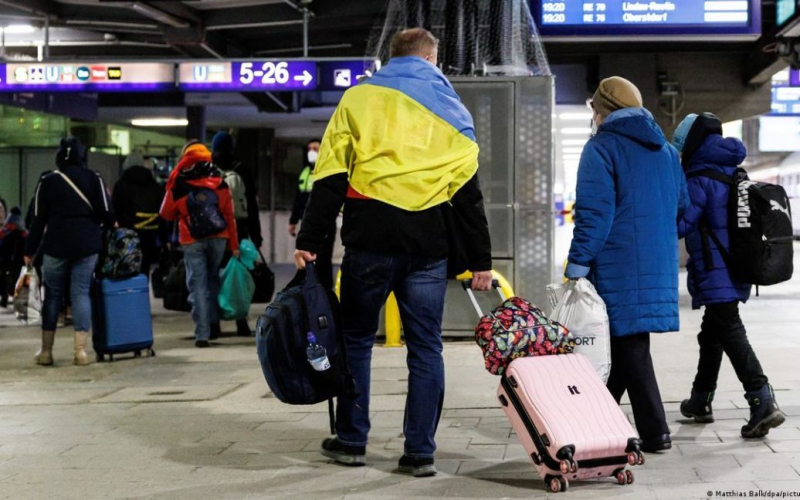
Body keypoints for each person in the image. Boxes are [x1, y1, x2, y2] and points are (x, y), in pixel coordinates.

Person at [294, 28, 493, 477]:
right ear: (432, 58)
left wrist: (309, 240)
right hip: (428, 245)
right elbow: (468, 195)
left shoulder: (357, 99)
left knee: (355, 341)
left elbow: (331, 177)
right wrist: (481, 260)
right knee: (426, 348)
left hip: (370, 240)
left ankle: (351, 440)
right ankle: (420, 451)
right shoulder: (452, 109)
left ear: (392, 57)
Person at [565, 77, 689, 453]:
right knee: (626, 344)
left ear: (602, 111)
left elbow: (594, 215)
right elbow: (682, 208)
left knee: (630, 345)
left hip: (617, 263)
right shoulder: (667, 153)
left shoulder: (601, 148)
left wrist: (577, 263)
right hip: (657, 264)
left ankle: (655, 431)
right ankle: (596, 421)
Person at [673, 113, 786, 439]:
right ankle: (700, 399)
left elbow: (681, 225)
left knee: (731, 332)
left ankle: (761, 399)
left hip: (714, 271)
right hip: (737, 267)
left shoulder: (699, 178)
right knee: (712, 334)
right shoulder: (734, 173)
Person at [24, 137, 116, 366]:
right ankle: (80, 352)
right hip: (86, 245)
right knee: (81, 293)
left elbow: (38, 220)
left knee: (53, 296)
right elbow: (107, 213)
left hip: (56, 245)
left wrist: (30, 250)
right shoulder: (94, 178)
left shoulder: (48, 181)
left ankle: (46, 352)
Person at [160, 142, 239, 348]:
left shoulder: (178, 182)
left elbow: (166, 213)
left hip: (191, 239)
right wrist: (234, 245)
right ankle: (213, 324)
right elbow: (229, 216)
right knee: (213, 280)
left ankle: (202, 334)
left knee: (197, 286)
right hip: (219, 237)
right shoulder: (220, 182)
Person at [211, 131, 263, 336]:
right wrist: (256, 235)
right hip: (239, 228)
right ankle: (241, 321)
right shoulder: (241, 169)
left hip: (215, 229)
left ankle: (214, 323)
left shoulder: (209, 169)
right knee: (238, 275)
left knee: (215, 276)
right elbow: (251, 205)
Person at [289, 139, 336, 290]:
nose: (311, 152)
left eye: (315, 149)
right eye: (309, 149)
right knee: (306, 257)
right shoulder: (305, 172)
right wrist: (293, 220)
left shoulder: (327, 170)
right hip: (307, 221)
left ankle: (326, 291)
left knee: (323, 258)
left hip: (325, 222)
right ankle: (310, 290)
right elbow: (298, 198)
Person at [112, 150, 166, 278]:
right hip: (150, 233)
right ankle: (143, 288)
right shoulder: (155, 186)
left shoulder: (121, 185)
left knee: (126, 268)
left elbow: (115, 210)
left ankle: (129, 289)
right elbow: (162, 213)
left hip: (127, 234)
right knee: (144, 267)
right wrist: (164, 239)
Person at [0, 207, 27, 308]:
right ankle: (9, 297)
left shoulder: (5, 232)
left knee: (7, 279)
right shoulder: (23, 233)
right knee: (13, 278)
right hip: (14, 261)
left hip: (9, 261)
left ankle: (6, 297)